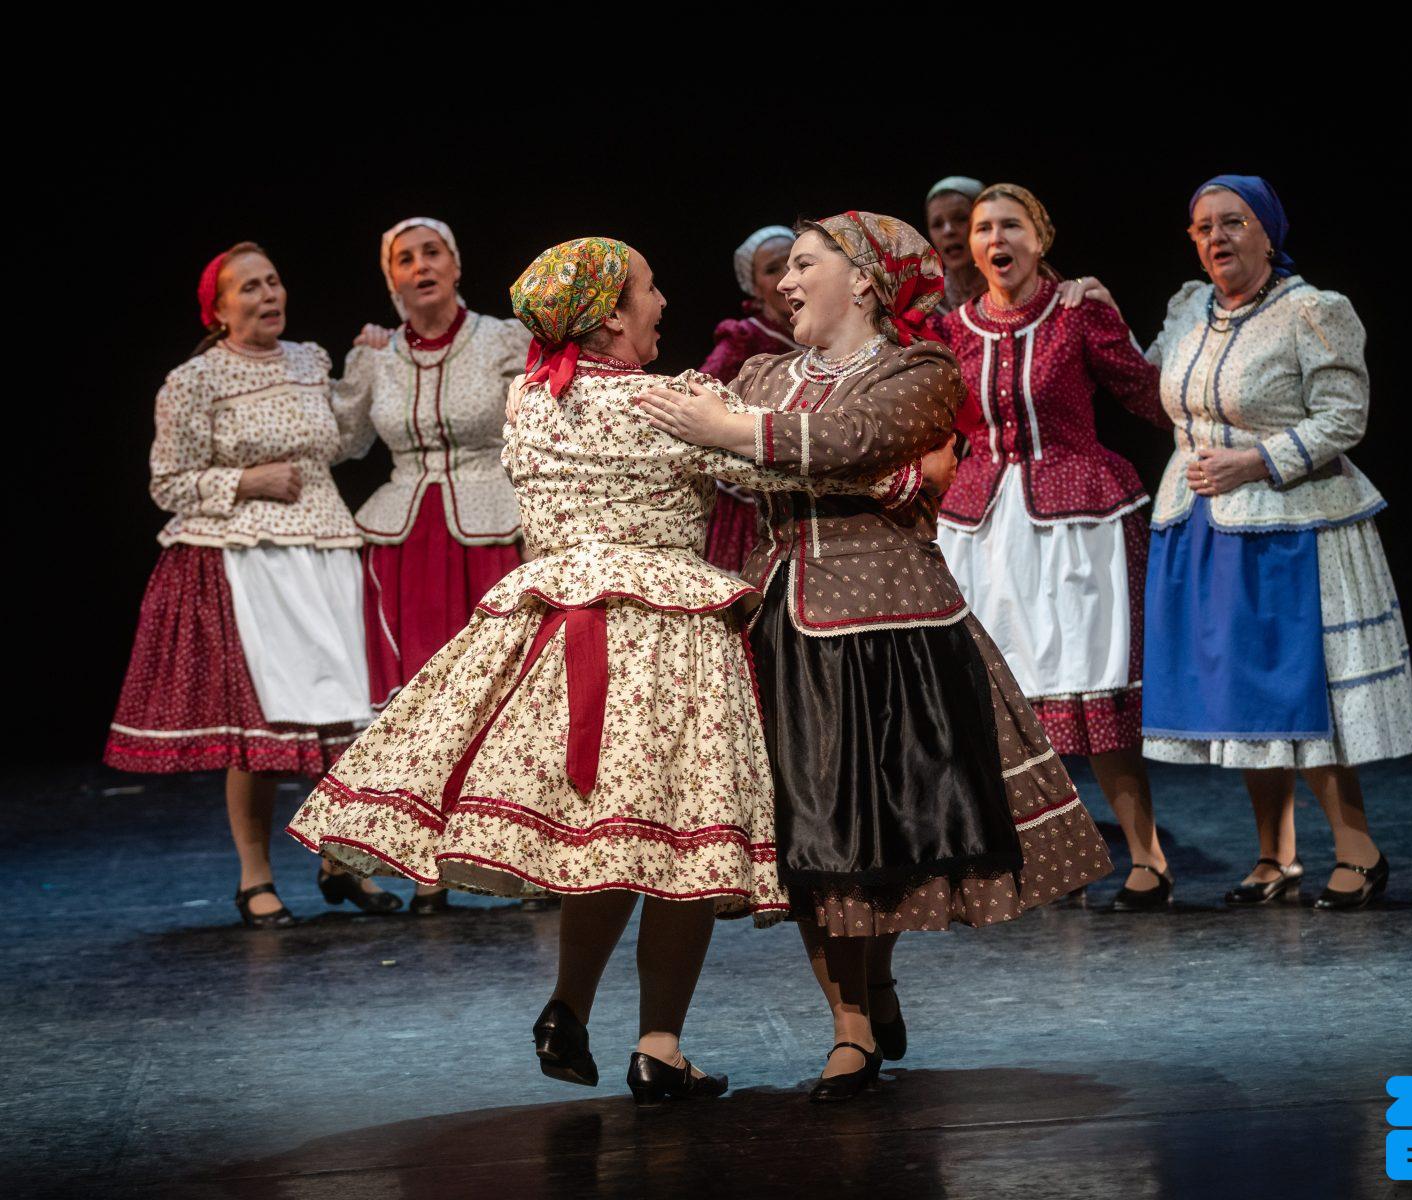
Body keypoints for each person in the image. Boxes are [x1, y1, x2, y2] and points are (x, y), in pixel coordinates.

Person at [287, 237, 923, 1102]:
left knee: (603, 839)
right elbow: (774, 467)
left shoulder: (528, 399)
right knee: (678, 845)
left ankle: (568, 1006)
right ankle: (659, 1044)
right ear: (613, 316)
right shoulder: (673, 400)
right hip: (664, 637)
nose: (663, 303)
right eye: (650, 290)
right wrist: (903, 475)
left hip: (557, 627)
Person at [635, 211, 1111, 1101]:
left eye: (803, 265)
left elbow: (852, 440)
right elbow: (735, 465)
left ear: (863, 278)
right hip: (784, 618)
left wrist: (746, 436)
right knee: (813, 832)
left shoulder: (919, 370)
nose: (785, 283)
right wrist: (840, 469)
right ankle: (849, 1022)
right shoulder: (763, 372)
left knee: (885, 828)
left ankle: (876, 978)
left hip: (894, 623)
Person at [1141, 175, 1412, 910]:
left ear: (1268, 232)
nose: (1217, 237)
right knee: (1241, 697)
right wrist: (1089, 312)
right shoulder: (1188, 309)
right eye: (1203, 227)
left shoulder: (1313, 311)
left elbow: (1344, 416)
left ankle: (1358, 850)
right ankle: (1275, 855)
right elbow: (1146, 381)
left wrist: (1256, 461)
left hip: (1292, 523)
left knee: (1295, 691)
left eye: (1233, 222)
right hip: (1200, 519)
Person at [105, 243, 399, 927]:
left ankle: (342, 860)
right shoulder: (195, 380)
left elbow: (345, 442)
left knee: (347, 717)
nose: (268, 294)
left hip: (326, 548)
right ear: (217, 310)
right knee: (262, 728)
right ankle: (255, 877)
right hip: (250, 558)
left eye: (273, 281)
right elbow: (168, 483)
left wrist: (365, 367)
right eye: (250, 288)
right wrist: (246, 480)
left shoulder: (309, 360)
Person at [935, 183, 1175, 910]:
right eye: (983, 228)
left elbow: (1150, 398)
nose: (994, 239)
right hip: (982, 526)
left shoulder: (1077, 313)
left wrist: (1122, 320)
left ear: (1040, 240)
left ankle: (1148, 856)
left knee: (1090, 680)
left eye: (1011, 226)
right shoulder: (951, 331)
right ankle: (1047, 858)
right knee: (1005, 699)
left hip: (1079, 521)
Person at [334, 217, 534, 915]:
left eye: (432, 253)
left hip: (492, 530)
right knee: (423, 703)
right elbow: (343, 442)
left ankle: (521, 856)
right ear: (391, 278)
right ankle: (427, 864)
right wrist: (353, 368)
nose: (420, 266)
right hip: (404, 543)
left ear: (455, 265)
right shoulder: (378, 355)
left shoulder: (504, 339)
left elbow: (542, 424)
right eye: (404, 258)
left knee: (504, 696)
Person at [700, 225, 800, 573]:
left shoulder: (822, 337)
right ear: (754, 287)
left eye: (794, 263)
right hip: (750, 504)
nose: (786, 276)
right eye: (772, 269)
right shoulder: (746, 339)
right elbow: (697, 393)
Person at [924, 176, 986, 317]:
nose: (948, 231)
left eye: (961, 218)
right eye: (937, 224)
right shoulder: (928, 306)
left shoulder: (1014, 291)